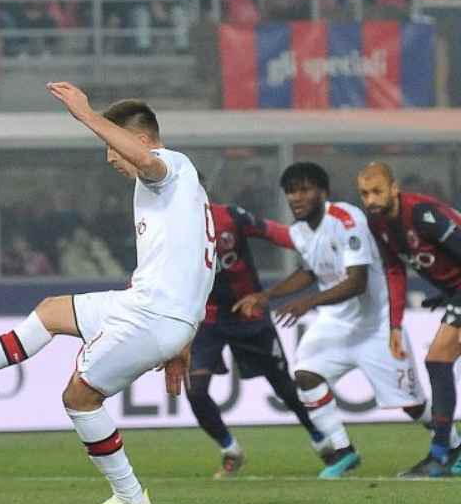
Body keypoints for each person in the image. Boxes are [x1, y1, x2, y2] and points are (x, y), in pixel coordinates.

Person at [0, 86, 214, 504]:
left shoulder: (171, 167)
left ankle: (130, 498)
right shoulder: (183, 194)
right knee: (50, 312)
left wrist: (86, 115)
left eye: (112, 146)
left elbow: (146, 161)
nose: (109, 159)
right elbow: (195, 270)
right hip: (150, 306)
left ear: (141, 141)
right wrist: (185, 340)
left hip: (155, 316)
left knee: (80, 398)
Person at [233, 163, 428, 479]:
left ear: (323, 192)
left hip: (376, 325)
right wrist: (266, 297)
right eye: (291, 191)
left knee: (412, 406)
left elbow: (357, 281)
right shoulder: (300, 231)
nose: (297, 197)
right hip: (337, 324)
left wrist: (307, 302)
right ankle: (343, 450)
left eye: (304, 189)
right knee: (306, 374)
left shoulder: (346, 219)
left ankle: (453, 445)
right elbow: (311, 271)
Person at [189, 196, 325, 478]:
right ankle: (230, 450)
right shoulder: (169, 228)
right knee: (195, 389)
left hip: (247, 311)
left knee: (284, 386)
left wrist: (313, 246)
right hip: (208, 318)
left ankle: (322, 439)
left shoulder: (231, 216)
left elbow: (274, 232)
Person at [357, 162, 461, 477]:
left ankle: (441, 455)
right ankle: (446, 454)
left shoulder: (422, 215)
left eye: (377, 191)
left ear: (394, 188)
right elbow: (394, 271)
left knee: (438, 359)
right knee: (439, 361)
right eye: (364, 193)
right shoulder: (378, 224)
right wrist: (395, 325)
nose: (370, 200)